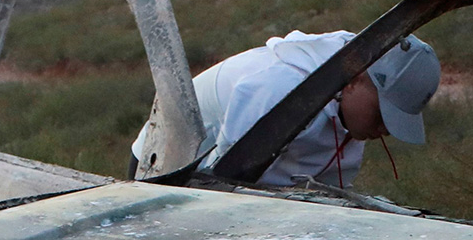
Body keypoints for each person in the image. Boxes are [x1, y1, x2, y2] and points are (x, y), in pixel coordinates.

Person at [129, 29, 439, 188]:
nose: (385, 128)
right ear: (357, 78)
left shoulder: (347, 104)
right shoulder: (282, 89)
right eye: (382, 113)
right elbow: (223, 182)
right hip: (165, 166)